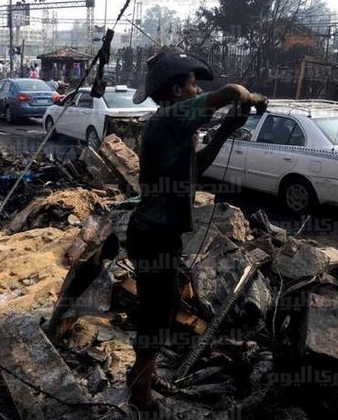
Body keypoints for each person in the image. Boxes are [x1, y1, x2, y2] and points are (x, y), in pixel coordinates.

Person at [126, 47, 268, 413]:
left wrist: (224, 131)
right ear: (176, 91)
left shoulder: (175, 129)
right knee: (156, 312)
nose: (195, 91)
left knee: (168, 303)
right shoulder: (167, 119)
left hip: (162, 234)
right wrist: (248, 98)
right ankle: (141, 390)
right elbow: (232, 92)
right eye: (191, 84)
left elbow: (196, 167)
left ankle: (143, 372)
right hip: (153, 234)